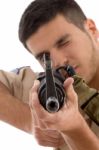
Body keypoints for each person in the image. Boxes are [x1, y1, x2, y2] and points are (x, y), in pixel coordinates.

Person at [0, 0, 99, 149]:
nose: (58, 61)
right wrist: (31, 120)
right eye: (43, 57)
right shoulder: (45, 87)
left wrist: (74, 130)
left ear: (91, 29)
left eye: (64, 42)